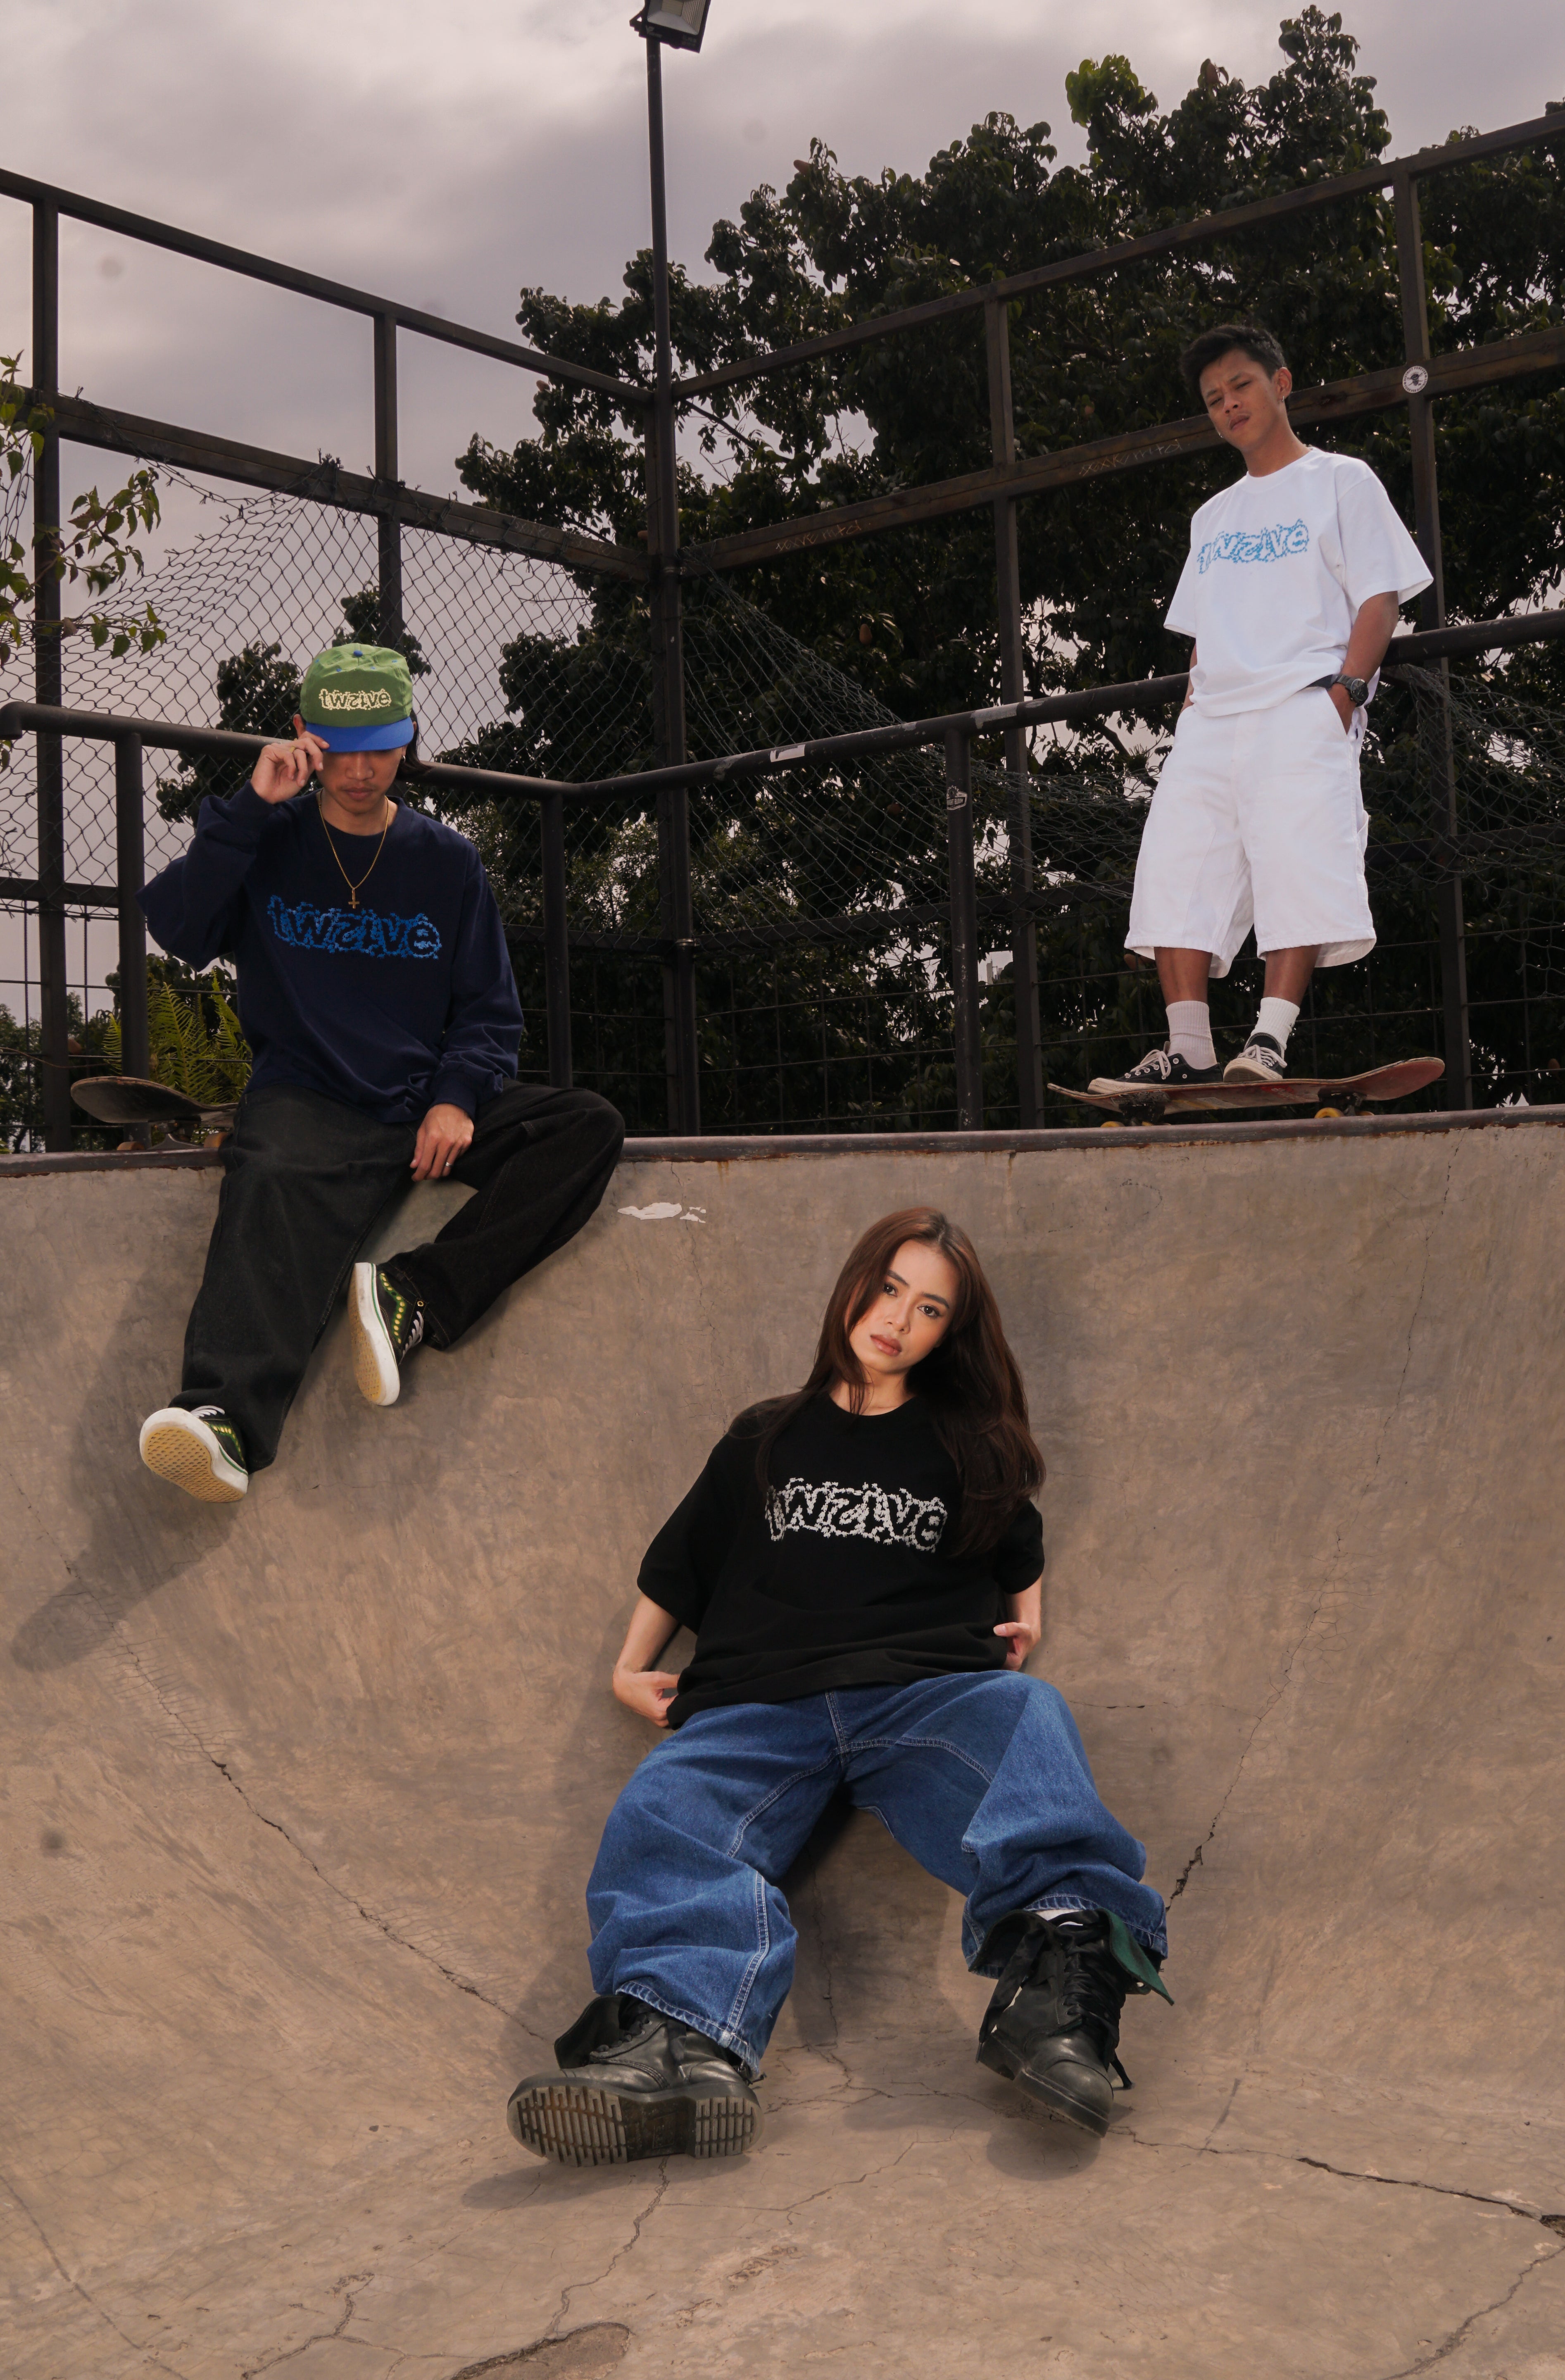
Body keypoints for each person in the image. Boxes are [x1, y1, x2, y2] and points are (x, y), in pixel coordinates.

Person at [507, 1208, 1170, 2167]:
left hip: (917, 1692)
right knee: (666, 1807)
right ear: (855, 1285)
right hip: (759, 1698)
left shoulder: (964, 1444)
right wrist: (626, 1665)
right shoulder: (766, 1434)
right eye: (890, 1289)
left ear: (950, 1334)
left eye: (930, 1309)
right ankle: (679, 2042)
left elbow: (1019, 1539)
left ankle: (1057, 2006)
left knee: (1030, 1716)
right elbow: (682, 1560)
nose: (899, 1319)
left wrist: (1029, 1619)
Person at [136, 641, 624, 1503]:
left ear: (407, 740)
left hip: (421, 1098)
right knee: (268, 1173)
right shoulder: (266, 838)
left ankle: (413, 1298)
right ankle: (224, 1421)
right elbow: (177, 928)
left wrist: (455, 1098)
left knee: (586, 1125)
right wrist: (249, 809)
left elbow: (489, 1011)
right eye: (342, 750)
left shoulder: (448, 862)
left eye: (381, 749)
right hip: (310, 1095)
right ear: (304, 738)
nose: (361, 772)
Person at [1091, 321, 1432, 1095]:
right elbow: (1202, 635)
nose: (1229, 405)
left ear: (1281, 384)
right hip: (1212, 719)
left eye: (1241, 385)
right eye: (1214, 399)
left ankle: (1269, 1040)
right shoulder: (1211, 517)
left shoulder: (1343, 481)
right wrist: (1191, 709)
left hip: (1302, 704)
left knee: (1297, 860)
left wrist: (1346, 694)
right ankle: (1188, 1049)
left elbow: (1379, 599)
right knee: (1175, 870)